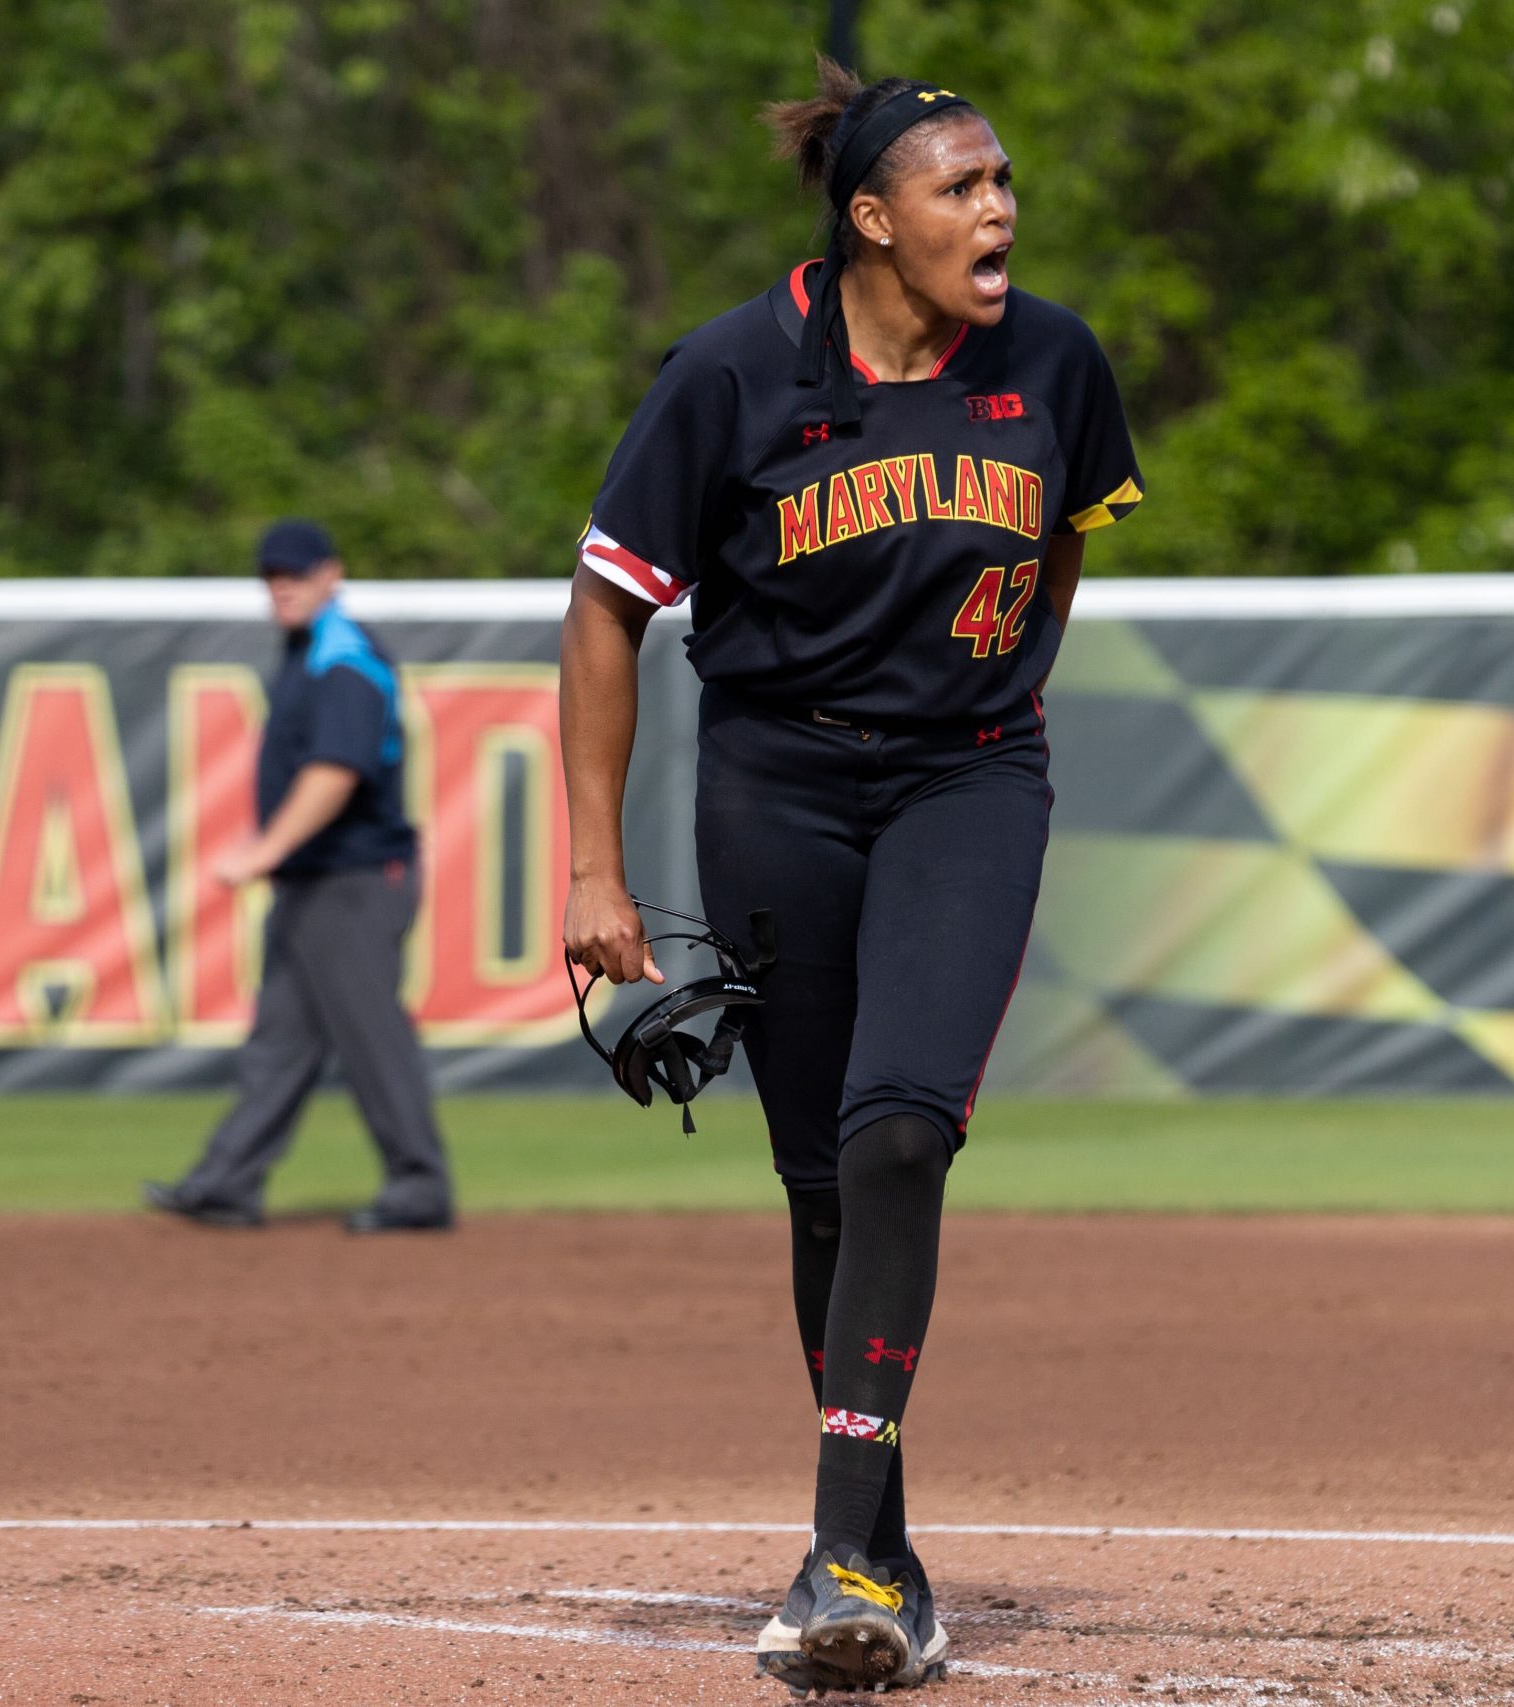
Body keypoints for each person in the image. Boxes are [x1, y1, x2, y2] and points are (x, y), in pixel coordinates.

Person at [558, 58, 1142, 1694]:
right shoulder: (737, 371)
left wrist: (997, 679)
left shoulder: (1054, 362)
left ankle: (841, 1551)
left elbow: (1063, 542)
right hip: (774, 781)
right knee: (821, 1175)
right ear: (872, 219)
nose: (1000, 207)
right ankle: (886, 1546)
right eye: (962, 187)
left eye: (1005, 179)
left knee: (900, 1134)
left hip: (968, 773)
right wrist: (593, 862)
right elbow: (608, 603)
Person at [145, 519, 455, 1233]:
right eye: (271, 576)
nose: (281, 586)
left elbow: (336, 772)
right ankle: (225, 1182)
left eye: (295, 573)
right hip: (316, 879)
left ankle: (420, 1186)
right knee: (280, 1040)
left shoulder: (343, 657)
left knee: (371, 1037)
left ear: (330, 574)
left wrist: (261, 849)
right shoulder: (308, 650)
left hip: (355, 879)